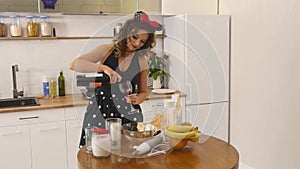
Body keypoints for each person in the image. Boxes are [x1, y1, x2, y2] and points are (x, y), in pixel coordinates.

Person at [70, 11, 163, 147]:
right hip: (100, 110)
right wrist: (103, 68)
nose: (137, 43)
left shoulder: (142, 61)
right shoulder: (106, 50)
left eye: (142, 41)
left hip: (128, 113)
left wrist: (138, 99)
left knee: (127, 155)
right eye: (134, 37)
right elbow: (74, 64)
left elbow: (143, 91)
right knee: (96, 153)